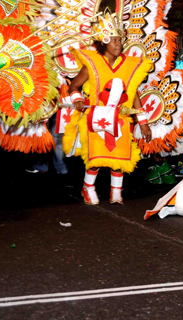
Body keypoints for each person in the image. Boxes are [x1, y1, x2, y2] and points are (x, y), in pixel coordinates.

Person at [64, 16, 153, 205]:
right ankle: (88, 187)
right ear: (103, 42)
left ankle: (116, 193)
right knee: (95, 158)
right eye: (113, 40)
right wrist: (78, 100)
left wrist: (143, 122)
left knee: (119, 158)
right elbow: (74, 87)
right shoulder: (92, 64)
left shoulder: (130, 65)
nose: (118, 43)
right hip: (96, 118)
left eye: (119, 39)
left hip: (120, 118)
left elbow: (134, 94)